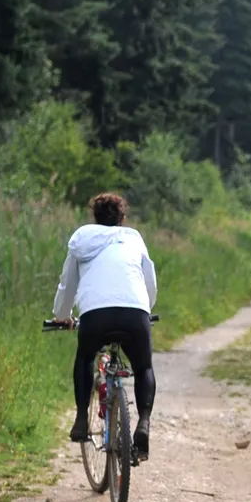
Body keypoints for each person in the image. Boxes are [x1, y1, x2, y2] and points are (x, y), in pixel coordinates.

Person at [51, 193, 159, 462]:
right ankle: (143, 423)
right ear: (122, 219)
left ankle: (80, 419)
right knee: (144, 367)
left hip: (95, 315)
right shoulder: (133, 239)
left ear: (95, 218)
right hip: (136, 312)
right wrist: (145, 307)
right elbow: (149, 279)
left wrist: (62, 315)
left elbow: (67, 285)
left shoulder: (82, 242)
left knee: (85, 357)